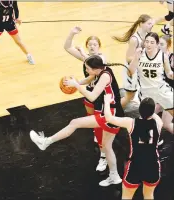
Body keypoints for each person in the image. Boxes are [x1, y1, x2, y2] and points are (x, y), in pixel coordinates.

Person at [30, 55, 125, 186]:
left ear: (95, 68)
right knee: (107, 147)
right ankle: (114, 176)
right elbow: (87, 79)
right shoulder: (101, 70)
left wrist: (76, 86)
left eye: (87, 68)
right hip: (111, 113)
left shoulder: (104, 76)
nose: (86, 70)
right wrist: (75, 82)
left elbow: (92, 97)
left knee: (75, 123)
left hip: (110, 114)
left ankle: (46, 142)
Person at [64, 26, 107, 172]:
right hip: (89, 93)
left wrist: (76, 83)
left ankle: (104, 154)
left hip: (101, 95)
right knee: (91, 117)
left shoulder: (102, 58)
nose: (92, 46)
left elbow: (91, 69)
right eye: (90, 45)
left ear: (99, 46)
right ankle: (98, 136)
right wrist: (72, 33)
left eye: (95, 44)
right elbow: (67, 47)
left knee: (100, 121)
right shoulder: (86, 57)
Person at [104, 95, 163, 200]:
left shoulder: (131, 122)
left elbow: (109, 118)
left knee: (126, 197)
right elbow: (153, 115)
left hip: (135, 165)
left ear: (139, 109)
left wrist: (107, 101)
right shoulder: (158, 123)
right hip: (152, 165)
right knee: (149, 196)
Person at [128, 32, 173, 118]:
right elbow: (130, 72)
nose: (149, 44)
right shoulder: (140, 54)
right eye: (147, 42)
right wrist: (136, 58)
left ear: (156, 44)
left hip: (161, 90)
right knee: (145, 119)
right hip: (146, 93)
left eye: (152, 42)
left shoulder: (163, 56)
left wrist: (171, 75)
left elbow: (168, 73)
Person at [112, 14, 153, 108]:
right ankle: (114, 112)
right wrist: (139, 56)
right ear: (141, 24)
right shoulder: (134, 39)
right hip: (131, 71)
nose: (151, 25)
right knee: (129, 97)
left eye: (151, 24)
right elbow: (128, 58)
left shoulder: (147, 36)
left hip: (140, 69)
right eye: (149, 23)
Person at [0, 1, 35, 67]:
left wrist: (17, 18)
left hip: (10, 24)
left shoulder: (13, 1)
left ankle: (29, 55)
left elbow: (16, 9)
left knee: (19, 42)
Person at [155, 35, 174, 134]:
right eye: (158, 44)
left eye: (162, 44)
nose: (159, 46)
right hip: (161, 93)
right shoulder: (157, 58)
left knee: (166, 124)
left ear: (168, 45)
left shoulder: (172, 58)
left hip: (170, 95)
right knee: (147, 114)